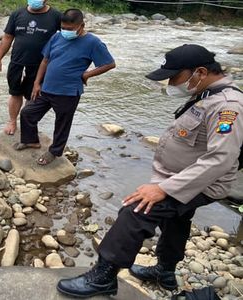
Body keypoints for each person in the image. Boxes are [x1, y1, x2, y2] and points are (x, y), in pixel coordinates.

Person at [56, 44, 243, 298]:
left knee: (136, 210)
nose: (170, 83)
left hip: (203, 183)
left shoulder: (227, 106)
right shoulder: (208, 93)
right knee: (176, 218)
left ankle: (104, 276)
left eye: (174, 77)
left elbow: (220, 158)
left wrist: (163, 189)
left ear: (199, 72)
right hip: (182, 177)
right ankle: (164, 271)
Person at [15, 8, 115, 165]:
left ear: (81, 25)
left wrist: (87, 74)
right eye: (63, 28)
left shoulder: (92, 42)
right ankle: (30, 140)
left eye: (70, 29)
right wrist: (36, 83)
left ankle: (54, 152)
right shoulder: (56, 37)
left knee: (62, 123)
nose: (66, 32)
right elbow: (45, 60)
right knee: (27, 112)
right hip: (47, 88)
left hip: (68, 91)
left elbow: (109, 63)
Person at [0, 0, 61, 135]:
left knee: (33, 95)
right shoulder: (17, 14)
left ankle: (27, 126)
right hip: (17, 62)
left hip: (40, 65)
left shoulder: (56, 16)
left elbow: (65, 38)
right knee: (15, 93)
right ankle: (12, 121)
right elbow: (7, 37)